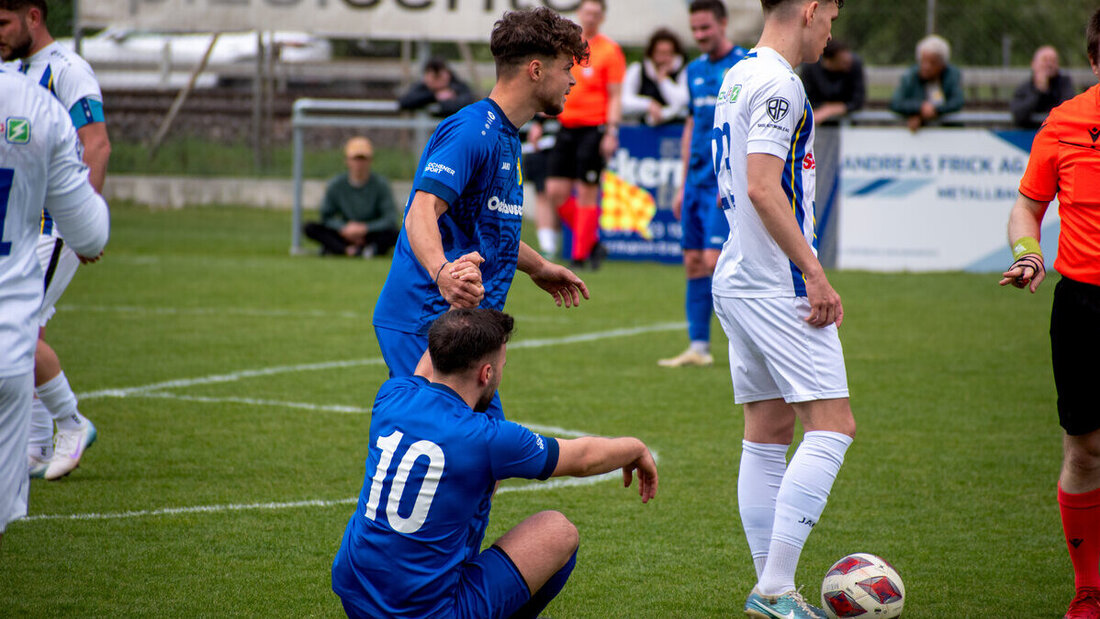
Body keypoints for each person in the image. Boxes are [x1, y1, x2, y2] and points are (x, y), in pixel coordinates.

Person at [332, 308, 657, 618]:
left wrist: (458, 311)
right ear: (486, 374)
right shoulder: (488, 438)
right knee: (557, 531)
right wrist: (636, 448)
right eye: (502, 364)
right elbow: (583, 459)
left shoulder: (392, 396)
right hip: (427, 615)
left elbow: (425, 367)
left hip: (355, 596)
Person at [371, 7, 590, 419]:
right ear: (536, 70)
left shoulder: (506, 135)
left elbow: (489, 228)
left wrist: (538, 266)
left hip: (460, 323)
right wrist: (442, 274)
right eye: (566, 68)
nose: (573, 79)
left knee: (476, 458)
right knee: (455, 453)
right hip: (427, 318)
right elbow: (421, 210)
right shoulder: (473, 130)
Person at [711, 1, 856, 617]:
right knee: (833, 426)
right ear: (812, 8)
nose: (831, 32)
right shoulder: (780, 83)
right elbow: (763, 187)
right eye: (832, 18)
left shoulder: (739, 73)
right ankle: (773, 588)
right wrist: (815, 274)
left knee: (768, 432)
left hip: (738, 277)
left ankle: (773, 588)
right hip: (776, 286)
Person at [999, 10, 1100, 617]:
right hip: (1083, 305)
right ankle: (1088, 589)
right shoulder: (1064, 124)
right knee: (1084, 450)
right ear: (1093, 59)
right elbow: (1026, 208)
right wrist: (1029, 254)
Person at [0, 0, 110, 480]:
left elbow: (97, 143)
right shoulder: (14, 72)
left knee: (17, 328)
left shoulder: (68, 70)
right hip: (20, 224)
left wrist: (82, 220)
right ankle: (38, 444)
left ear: (33, 17)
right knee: (27, 331)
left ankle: (70, 421)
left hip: (52, 225)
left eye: (3, 22)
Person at [657, 0, 747, 368]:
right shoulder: (693, 70)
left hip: (722, 183)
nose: (700, 35)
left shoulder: (742, 66)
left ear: (723, 24)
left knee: (715, 261)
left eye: (706, 28)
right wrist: (681, 185)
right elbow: (692, 124)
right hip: (694, 182)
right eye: (695, 29)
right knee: (694, 262)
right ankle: (699, 348)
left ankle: (747, 345)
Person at [537, 0, 626, 268]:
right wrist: (540, 121)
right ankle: (592, 241)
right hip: (566, 127)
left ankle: (579, 256)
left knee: (587, 190)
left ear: (602, 18)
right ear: (579, 14)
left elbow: (615, 96)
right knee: (555, 190)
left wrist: (611, 131)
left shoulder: (610, 51)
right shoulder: (567, 50)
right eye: (587, 12)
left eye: (596, 13)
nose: (591, 17)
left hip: (594, 128)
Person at [302, 136, 399, 258]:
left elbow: (389, 218)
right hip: (344, 232)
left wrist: (365, 228)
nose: (359, 164)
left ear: (370, 161)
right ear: (347, 161)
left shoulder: (381, 185)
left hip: (371, 233)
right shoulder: (336, 184)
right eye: (355, 159)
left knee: (396, 233)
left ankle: (345, 250)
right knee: (310, 227)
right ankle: (347, 250)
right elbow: (326, 216)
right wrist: (344, 227)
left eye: (363, 159)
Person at [889, 34, 964, 132]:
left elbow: (957, 101)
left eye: (932, 63)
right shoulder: (911, 76)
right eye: (923, 61)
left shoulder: (951, 75)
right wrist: (920, 107)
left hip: (947, 132)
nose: (926, 67)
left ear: (943, 64)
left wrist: (936, 110)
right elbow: (896, 103)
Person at [621, 28, 689, 127]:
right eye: (660, 53)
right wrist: (648, 105)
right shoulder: (638, 70)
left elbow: (682, 103)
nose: (664, 59)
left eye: (669, 53)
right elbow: (624, 101)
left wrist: (663, 80)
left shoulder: (685, 71)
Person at [800, 39, 865, 124]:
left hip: (848, 123)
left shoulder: (855, 64)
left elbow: (858, 101)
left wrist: (830, 109)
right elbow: (807, 99)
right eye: (843, 62)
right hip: (818, 122)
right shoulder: (810, 67)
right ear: (828, 61)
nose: (848, 63)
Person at [1010, 45, 1075, 129]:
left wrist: (1047, 92)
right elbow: (1019, 116)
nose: (1049, 65)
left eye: (1053, 61)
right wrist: (1039, 91)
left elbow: (1067, 111)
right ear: (1033, 64)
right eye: (1045, 60)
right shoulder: (1024, 88)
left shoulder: (1064, 84)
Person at [397, 56, 477, 119]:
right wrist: (434, 95)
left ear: (448, 74)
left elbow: (466, 105)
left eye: (439, 76)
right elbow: (404, 102)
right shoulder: (423, 87)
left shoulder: (458, 87)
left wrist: (445, 100)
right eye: (433, 77)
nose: (437, 80)